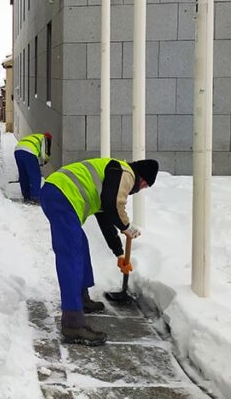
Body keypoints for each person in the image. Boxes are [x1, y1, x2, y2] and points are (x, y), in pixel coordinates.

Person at [40, 158, 159, 346]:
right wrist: (126, 226)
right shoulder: (125, 173)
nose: (142, 188)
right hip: (61, 195)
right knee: (71, 256)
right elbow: (114, 205)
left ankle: (81, 298)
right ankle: (73, 324)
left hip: (57, 192)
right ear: (140, 177)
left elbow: (106, 218)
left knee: (80, 244)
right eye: (145, 184)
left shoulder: (111, 178)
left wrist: (119, 253)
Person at [14, 132, 52, 204]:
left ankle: (26, 196)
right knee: (35, 175)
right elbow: (44, 154)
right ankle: (35, 197)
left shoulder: (34, 137)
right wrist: (45, 160)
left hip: (17, 150)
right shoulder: (44, 138)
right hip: (29, 152)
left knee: (23, 175)